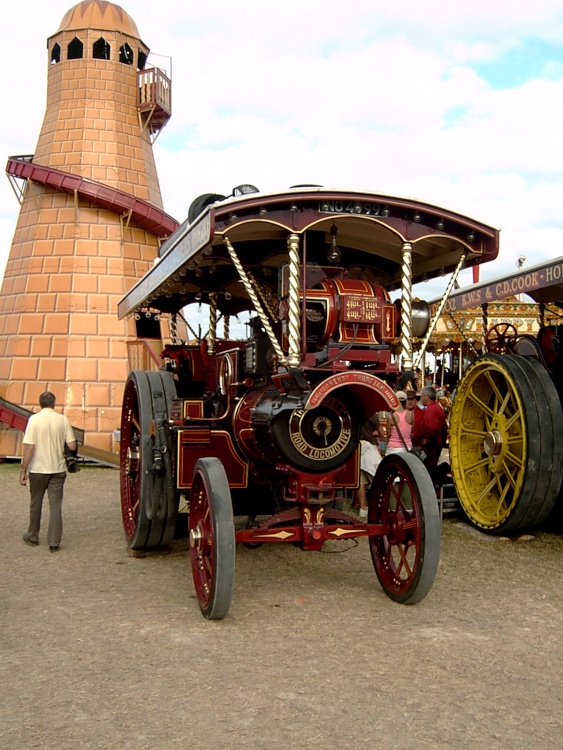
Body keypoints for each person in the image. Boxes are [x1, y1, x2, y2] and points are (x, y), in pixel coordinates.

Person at [20, 391, 77, 552]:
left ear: (40, 404)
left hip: (38, 469)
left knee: (35, 503)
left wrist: (24, 470)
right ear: (54, 403)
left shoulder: (34, 420)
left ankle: (33, 535)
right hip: (57, 468)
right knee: (55, 505)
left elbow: (30, 448)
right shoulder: (62, 420)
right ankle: (54, 541)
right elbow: (72, 445)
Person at [411, 385, 448, 472]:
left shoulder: (430, 410)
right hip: (436, 443)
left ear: (427, 397)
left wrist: (427, 440)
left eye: (422, 396)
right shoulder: (437, 407)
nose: (421, 398)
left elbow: (432, 428)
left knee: (427, 468)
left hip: (431, 446)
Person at [356, 413, 385, 520]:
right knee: (378, 477)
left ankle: (363, 509)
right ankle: (380, 507)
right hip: (369, 447)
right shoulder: (372, 414)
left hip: (357, 446)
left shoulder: (354, 413)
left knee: (361, 480)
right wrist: (377, 433)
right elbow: (382, 433)